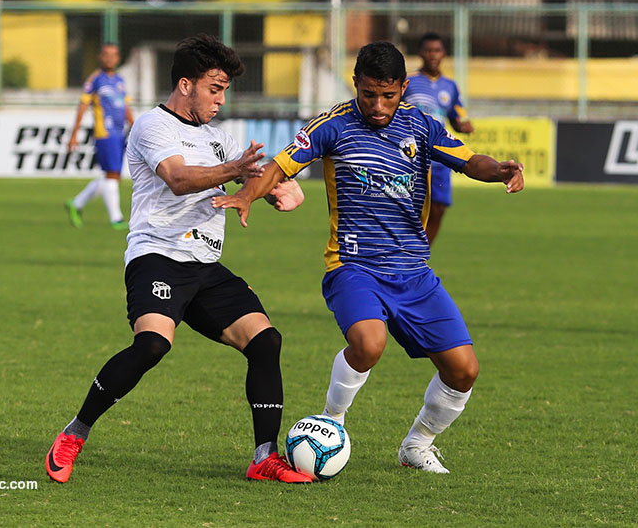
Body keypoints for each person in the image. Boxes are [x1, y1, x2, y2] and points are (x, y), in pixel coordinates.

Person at [212, 41, 523, 474]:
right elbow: (281, 167)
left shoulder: (423, 127)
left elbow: (470, 162)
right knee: (368, 343)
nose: (378, 105)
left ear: (403, 88)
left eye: (388, 95)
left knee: (464, 370)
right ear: (355, 84)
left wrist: (501, 170)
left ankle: (417, 444)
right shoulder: (332, 126)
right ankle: (330, 423)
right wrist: (247, 194)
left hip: (414, 272)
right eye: (369, 94)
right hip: (353, 267)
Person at [46, 34, 312, 484]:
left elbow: (279, 185)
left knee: (266, 342)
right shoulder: (153, 126)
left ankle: (264, 457)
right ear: (186, 85)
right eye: (214, 88)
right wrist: (236, 171)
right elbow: (178, 178)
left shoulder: (219, 139)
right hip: (157, 256)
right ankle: (74, 433)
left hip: (205, 266)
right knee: (152, 345)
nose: (221, 99)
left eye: (225, 90)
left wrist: (276, 189)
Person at [403, 32, 474, 245]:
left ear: (443, 53)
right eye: (428, 50)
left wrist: (463, 124)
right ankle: (403, 250)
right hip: (413, 155)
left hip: (440, 155)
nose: (433, 55)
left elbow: (456, 114)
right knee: (412, 208)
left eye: (437, 50)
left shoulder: (450, 86)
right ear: (421, 53)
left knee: (439, 209)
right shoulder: (409, 81)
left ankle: (421, 253)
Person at [64, 43, 135, 230]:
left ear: (118, 58)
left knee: (111, 176)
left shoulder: (120, 80)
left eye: (114, 55)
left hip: (119, 133)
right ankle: (116, 218)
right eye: (106, 55)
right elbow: (82, 106)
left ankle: (77, 203)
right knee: (112, 175)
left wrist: (135, 126)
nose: (110, 58)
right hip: (105, 132)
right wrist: (74, 135)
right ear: (100, 57)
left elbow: (125, 106)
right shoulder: (95, 79)